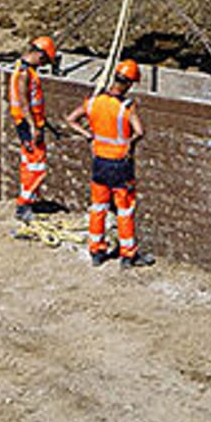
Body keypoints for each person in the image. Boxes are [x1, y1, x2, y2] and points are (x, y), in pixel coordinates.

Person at [65, 58, 153, 267]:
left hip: (100, 162)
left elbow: (70, 119)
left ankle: (96, 251)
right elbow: (140, 131)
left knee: (98, 207)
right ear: (129, 84)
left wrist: (89, 135)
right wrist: (130, 142)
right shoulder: (126, 108)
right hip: (120, 164)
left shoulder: (93, 101)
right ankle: (128, 254)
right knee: (125, 209)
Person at [9, 36, 56, 222]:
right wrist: (33, 126)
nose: (43, 64)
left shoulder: (24, 68)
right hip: (28, 124)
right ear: (38, 53)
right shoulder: (24, 73)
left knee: (29, 163)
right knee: (37, 165)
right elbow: (23, 100)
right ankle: (24, 204)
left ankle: (28, 200)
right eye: (44, 59)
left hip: (30, 122)